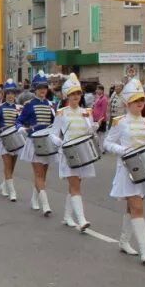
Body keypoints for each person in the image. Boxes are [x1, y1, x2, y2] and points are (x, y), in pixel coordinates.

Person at [103, 78, 145, 264]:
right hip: (127, 168)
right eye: (136, 101)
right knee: (137, 206)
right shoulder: (120, 122)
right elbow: (107, 142)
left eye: (142, 100)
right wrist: (122, 150)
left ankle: (124, 241)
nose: (140, 104)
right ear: (128, 103)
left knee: (132, 206)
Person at [50, 74, 96, 231]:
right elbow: (53, 134)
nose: (76, 96)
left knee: (75, 184)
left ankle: (67, 216)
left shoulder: (86, 112)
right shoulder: (62, 113)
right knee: (75, 185)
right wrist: (60, 143)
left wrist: (93, 128)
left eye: (78, 93)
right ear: (67, 96)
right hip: (68, 153)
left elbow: (88, 132)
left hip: (83, 152)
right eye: (72, 94)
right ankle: (81, 220)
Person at [17, 71, 57, 217]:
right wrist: (21, 128)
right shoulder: (29, 105)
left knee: (43, 174)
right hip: (34, 141)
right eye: (40, 88)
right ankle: (45, 205)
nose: (42, 90)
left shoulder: (51, 105)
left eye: (44, 87)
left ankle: (34, 199)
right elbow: (19, 120)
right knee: (39, 173)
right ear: (34, 89)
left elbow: (55, 124)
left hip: (48, 141)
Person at [0, 79, 22, 201]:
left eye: (12, 93)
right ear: (5, 94)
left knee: (12, 166)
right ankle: (12, 192)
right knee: (7, 164)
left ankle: (4, 186)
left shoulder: (19, 108)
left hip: (16, 139)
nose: (10, 95)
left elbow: (22, 121)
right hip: (4, 139)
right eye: (8, 93)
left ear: (15, 94)